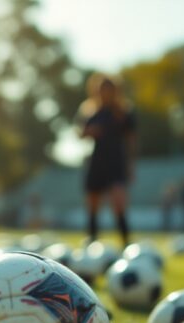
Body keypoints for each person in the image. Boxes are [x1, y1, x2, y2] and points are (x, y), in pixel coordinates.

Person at [78, 74, 136, 247]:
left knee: (118, 204)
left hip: (116, 162)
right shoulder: (91, 112)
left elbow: (131, 140)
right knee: (93, 204)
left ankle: (126, 242)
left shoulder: (123, 113)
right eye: (102, 90)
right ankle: (92, 240)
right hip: (97, 162)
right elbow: (80, 133)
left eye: (109, 90)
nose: (105, 94)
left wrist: (130, 165)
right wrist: (90, 131)